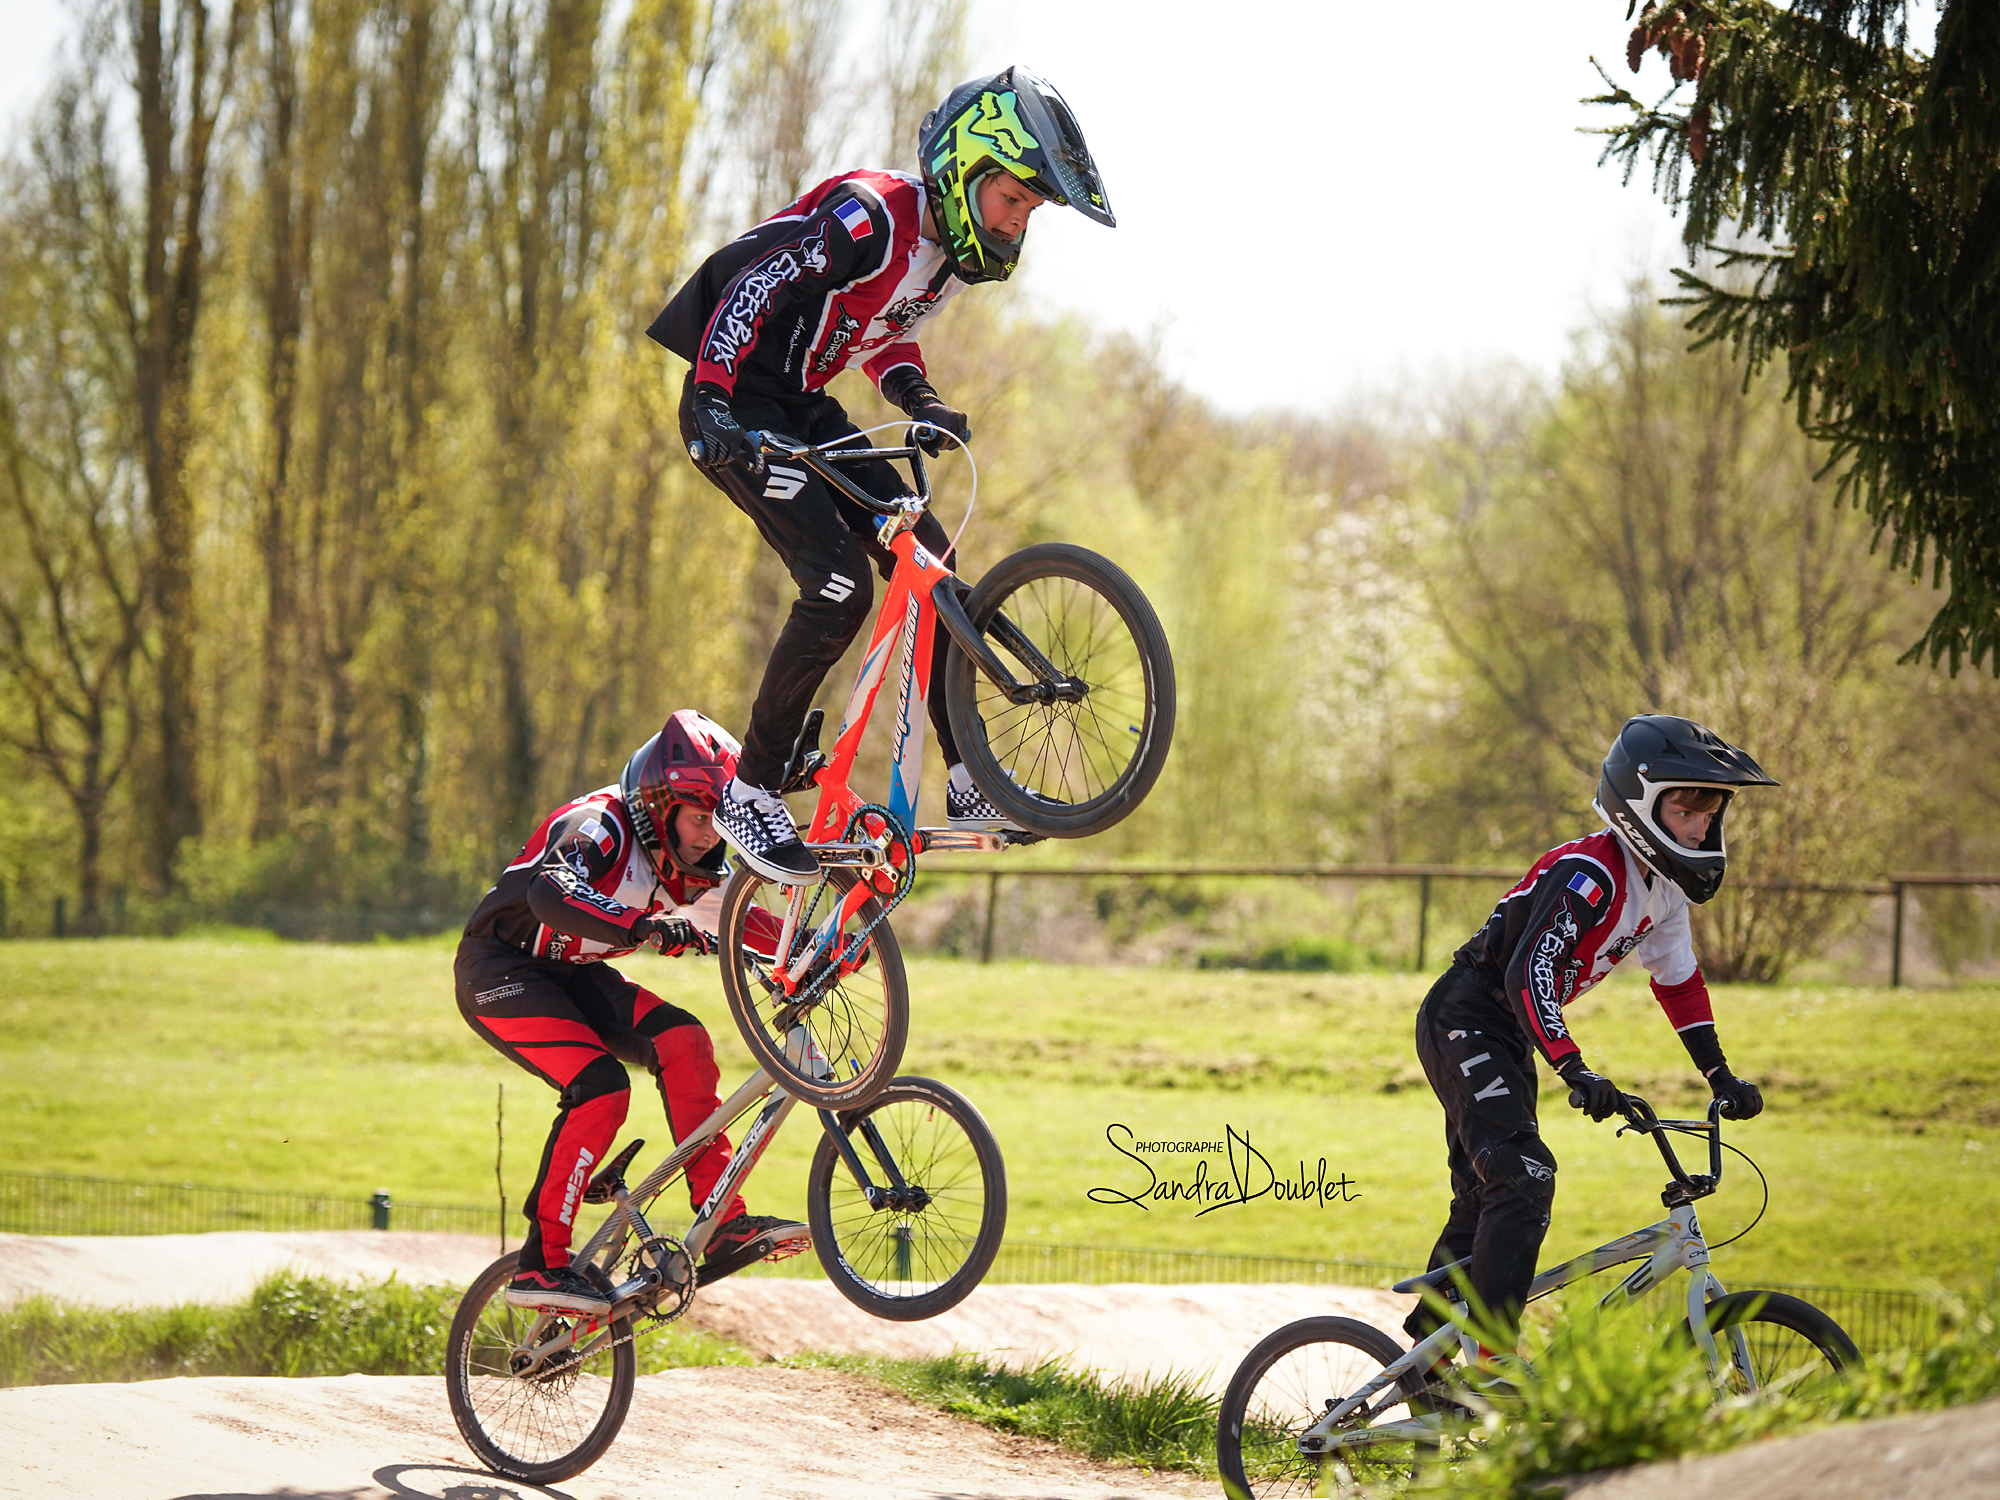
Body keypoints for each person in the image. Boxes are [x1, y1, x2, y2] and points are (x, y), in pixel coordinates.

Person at [644, 66, 1116, 882]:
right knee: (836, 588)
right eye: (1013, 202)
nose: (1016, 225)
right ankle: (751, 790)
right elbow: (755, 288)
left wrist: (922, 401)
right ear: (965, 172)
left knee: (930, 560)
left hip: (802, 405)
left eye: (1030, 213)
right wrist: (715, 400)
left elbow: (882, 336)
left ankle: (970, 777)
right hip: (736, 405)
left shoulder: (939, 261)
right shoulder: (870, 216)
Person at [1403, 714, 1780, 1363]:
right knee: (1524, 1176)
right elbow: (1530, 969)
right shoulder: (1593, 872)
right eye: (1686, 810)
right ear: (1639, 804)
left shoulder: (1662, 893)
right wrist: (1575, 1069)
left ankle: (1425, 1363)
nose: (1698, 827)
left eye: (1708, 814)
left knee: (1486, 1193)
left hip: (1505, 1032)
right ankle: (1490, 1358)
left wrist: (1720, 1077)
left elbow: (1680, 987)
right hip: (1467, 1014)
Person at [455, 710, 809, 1314]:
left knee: (685, 1042)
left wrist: (828, 950)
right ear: (658, 803)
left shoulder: (690, 865)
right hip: (501, 971)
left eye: (716, 824)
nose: (709, 836)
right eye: (701, 818)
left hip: (573, 974)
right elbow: (550, 892)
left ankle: (722, 1219)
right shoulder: (601, 825)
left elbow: (763, 931)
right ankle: (542, 1264)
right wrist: (645, 926)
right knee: (600, 1087)